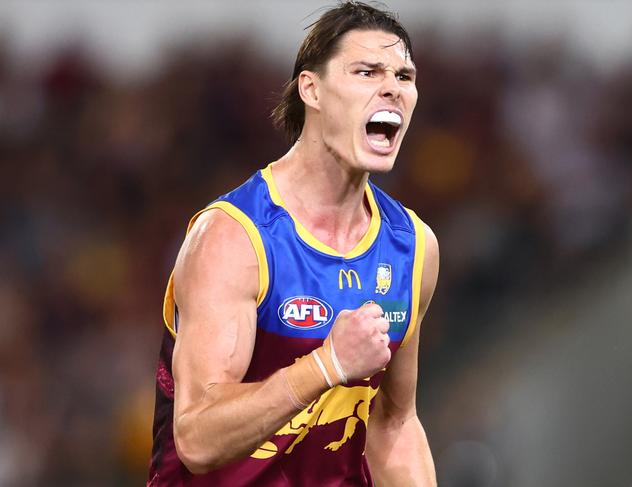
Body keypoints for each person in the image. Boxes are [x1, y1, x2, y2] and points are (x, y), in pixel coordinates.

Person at [147, 2, 439, 485]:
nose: (392, 87)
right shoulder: (234, 237)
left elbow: (394, 424)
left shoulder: (414, 247)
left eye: (403, 76)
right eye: (366, 71)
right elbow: (196, 438)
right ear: (312, 89)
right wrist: (328, 364)